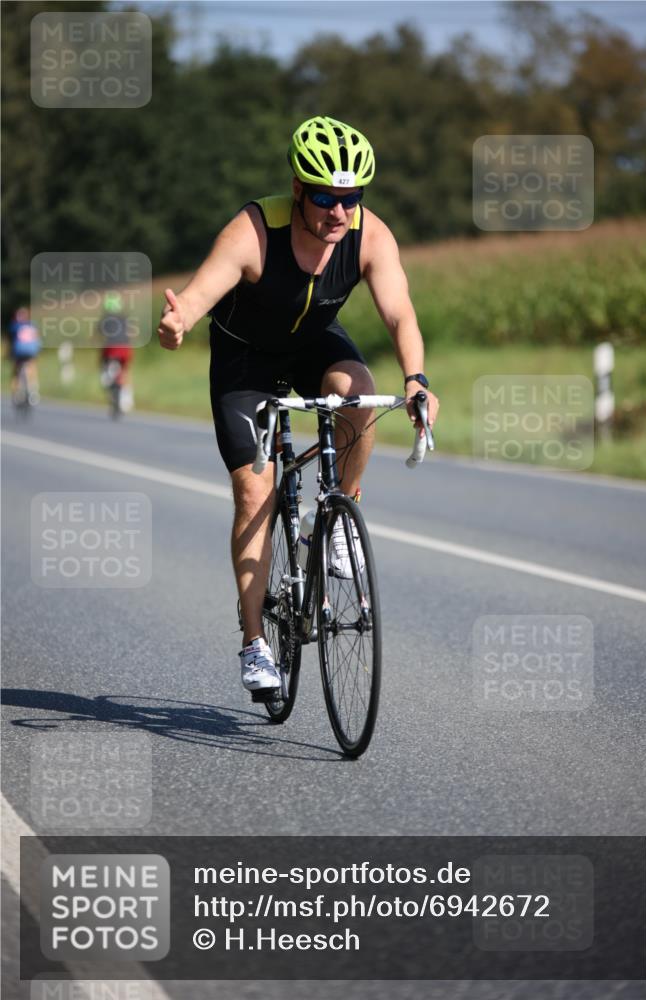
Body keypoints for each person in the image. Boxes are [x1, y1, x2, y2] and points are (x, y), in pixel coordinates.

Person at [157, 115, 439, 699]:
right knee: (254, 491)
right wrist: (178, 319)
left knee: (358, 391)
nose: (338, 212)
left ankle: (339, 512)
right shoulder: (253, 231)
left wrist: (416, 379)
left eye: (351, 198)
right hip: (245, 361)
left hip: (312, 343)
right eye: (323, 197)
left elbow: (400, 313)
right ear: (296, 190)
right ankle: (255, 642)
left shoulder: (369, 235)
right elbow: (199, 293)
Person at [99, 291, 134, 412]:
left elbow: (98, 335)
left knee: (103, 364)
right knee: (125, 370)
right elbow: (133, 332)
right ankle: (127, 397)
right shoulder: (125, 318)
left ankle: (107, 380)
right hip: (125, 348)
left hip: (111, 349)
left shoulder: (105, 319)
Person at [8, 306, 42, 405]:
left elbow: (11, 340)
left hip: (18, 352)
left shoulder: (15, 326)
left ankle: (15, 393)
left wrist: (10, 353)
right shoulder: (33, 325)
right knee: (32, 367)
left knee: (15, 372)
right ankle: (34, 390)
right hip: (31, 351)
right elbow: (37, 339)